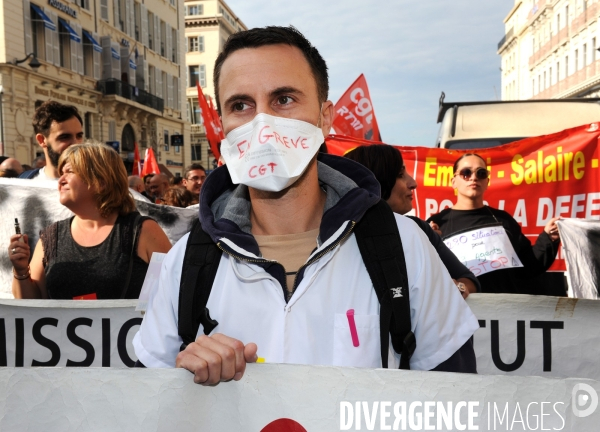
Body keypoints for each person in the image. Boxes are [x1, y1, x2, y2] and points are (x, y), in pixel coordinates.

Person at [133, 26, 479, 384]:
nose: (263, 126)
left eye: (284, 99)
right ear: (223, 125)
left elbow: (454, 400)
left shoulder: (403, 246)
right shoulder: (188, 259)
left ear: (324, 117)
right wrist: (181, 380)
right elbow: (147, 405)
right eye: (240, 105)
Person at [8, 141, 172, 299]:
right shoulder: (51, 237)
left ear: (101, 181)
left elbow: (173, 292)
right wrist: (21, 270)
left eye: (70, 172)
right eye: (61, 173)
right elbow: (31, 305)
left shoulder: (143, 232)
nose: (61, 180)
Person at [344, 144, 479, 297]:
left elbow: (469, 280)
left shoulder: (420, 229)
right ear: (376, 180)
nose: (413, 183)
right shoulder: (335, 237)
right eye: (400, 175)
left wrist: (457, 287)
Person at [427, 153, 560, 294]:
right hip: (461, 311)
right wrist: (428, 241)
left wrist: (548, 238)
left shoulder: (503, 220)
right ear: (454, 181)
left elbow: (529, 267)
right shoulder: (437, 224)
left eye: (481, 173)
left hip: (504, 311)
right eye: (466, 173)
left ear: (487, 182)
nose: (474, 177)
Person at [19, 101, 84, 180]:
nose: (75, 144)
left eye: (79, 136)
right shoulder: (23, 183)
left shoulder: (95, 186)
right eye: (64, 137)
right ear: (41, 140)